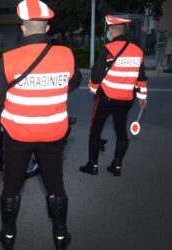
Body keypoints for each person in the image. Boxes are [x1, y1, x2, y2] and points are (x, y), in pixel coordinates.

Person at [0, 1, 82, 249]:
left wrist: (4, 118)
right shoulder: (67, 55)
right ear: (47, 27)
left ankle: (8, 236)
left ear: (23, 28)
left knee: (11, 185)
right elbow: (74, 82)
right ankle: (60, 237)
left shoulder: (9, 59)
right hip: (53, 135)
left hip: (17, 136)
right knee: (55, 185)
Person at [79, 15, 148, 177]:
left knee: (95, 130)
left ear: (113, 30)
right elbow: (141, 78)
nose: (109, 32)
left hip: (106, 97)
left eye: (109, 29)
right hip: (126, 100)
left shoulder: (108, 49)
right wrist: (143, 98)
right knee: (121, 130)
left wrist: (93, 89)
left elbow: (96, 75)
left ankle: (93, 165)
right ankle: (117, 165)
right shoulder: (137, 51)